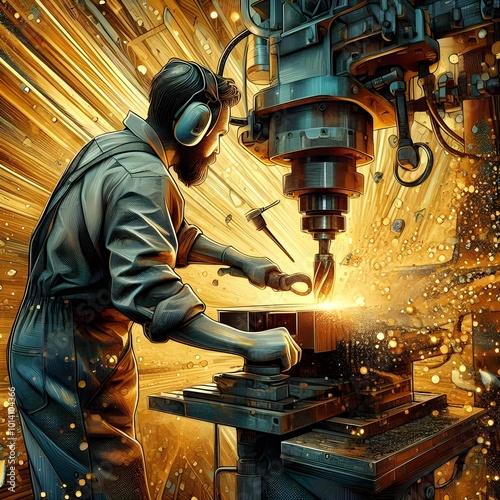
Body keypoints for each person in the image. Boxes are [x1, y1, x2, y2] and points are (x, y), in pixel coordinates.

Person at [7, 58, 301, 500]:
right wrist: (250, 344)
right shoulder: (142, 177)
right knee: (104, 489)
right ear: (192, 127)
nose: (217, 149)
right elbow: (150, 291)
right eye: (217, 136)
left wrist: (240, 259)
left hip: (60, 347)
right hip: (69, 353)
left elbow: (163, 235)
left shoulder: (113, 149)